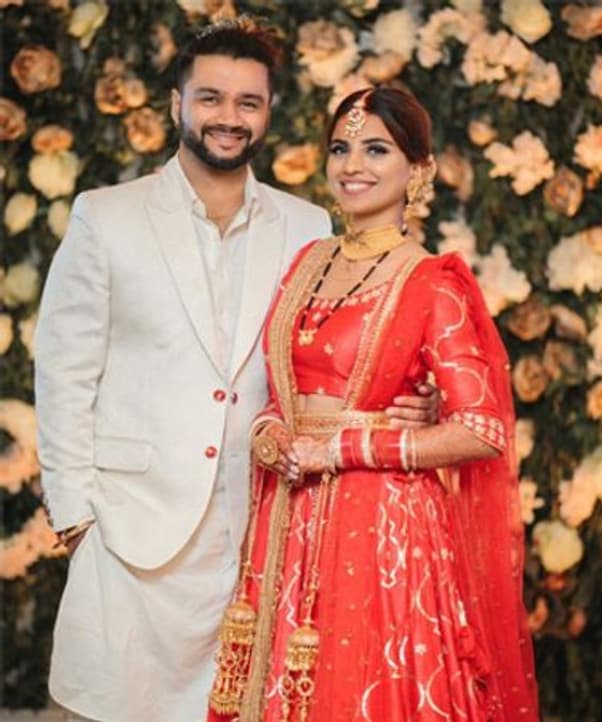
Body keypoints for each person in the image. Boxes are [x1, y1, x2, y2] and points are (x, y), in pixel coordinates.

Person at [35, 20, 435, 722]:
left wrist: (413, 402)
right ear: (177, 104)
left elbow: (339, 357)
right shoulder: (107, 217)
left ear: (268, 112)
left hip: (262, 532)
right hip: (130, 532)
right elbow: (65, 373)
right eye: (210, 98)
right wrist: (75, 520)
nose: (229, 117)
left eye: (248, 102)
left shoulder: (308, 226)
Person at [204, 86, 538, 722]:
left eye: (376, 149)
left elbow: (481, 428)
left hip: (383, 528)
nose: (352, 165)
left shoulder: (433, 282)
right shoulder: (308, 262)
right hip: (288, 518)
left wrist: (344, 446)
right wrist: (271, 434)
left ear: (418, 170)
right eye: (340, 148)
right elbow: (281, 389)